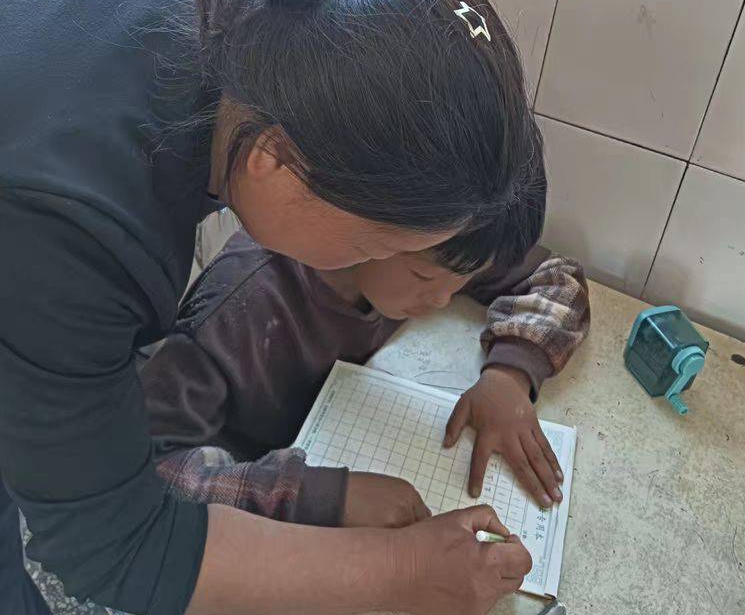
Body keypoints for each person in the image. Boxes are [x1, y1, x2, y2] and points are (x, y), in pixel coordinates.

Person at [1, 0, 538, 615]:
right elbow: (111, 545)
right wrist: (399, 572)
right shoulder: (71, 226)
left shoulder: (273, 12)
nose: (376, 270)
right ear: (276, 163)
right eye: (374, 244)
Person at [141, 190, 589, 530]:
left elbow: (557, 278)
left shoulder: (438, 241)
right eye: (424, 277)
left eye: (464, 280)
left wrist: (509, 375)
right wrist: (323, 499)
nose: (441, 299)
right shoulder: (239, 308)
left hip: (338, 425)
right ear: (365, 226)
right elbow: (145, 476)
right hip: (243, 514)